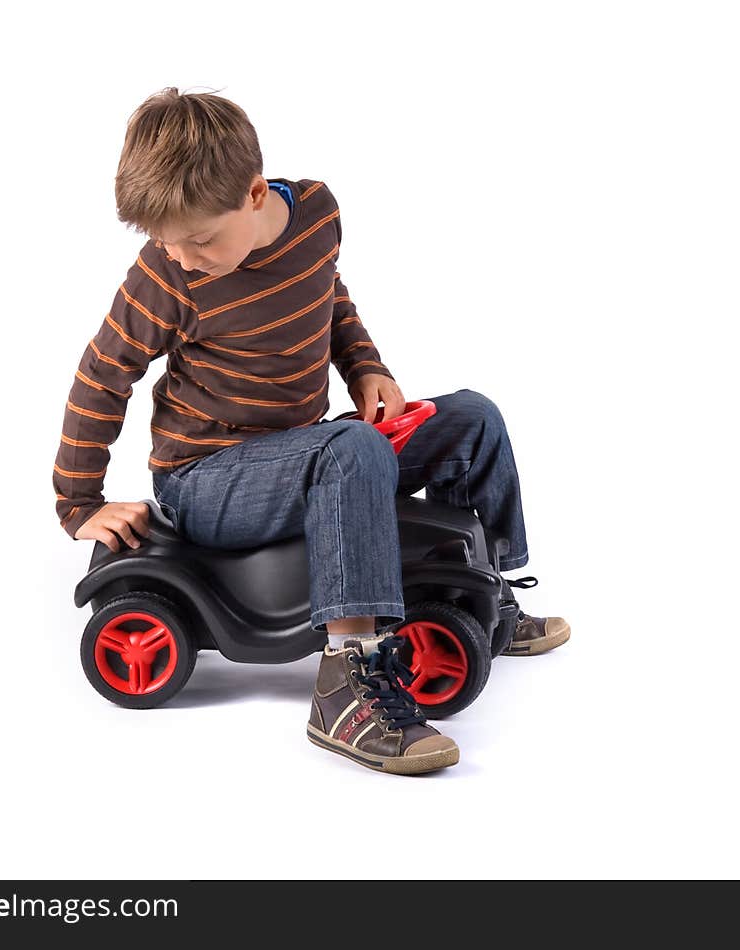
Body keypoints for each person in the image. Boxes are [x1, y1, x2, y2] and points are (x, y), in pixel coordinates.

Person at [53, 87, 571, 775]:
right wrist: (79, 500)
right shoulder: (165, 279)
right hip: (210, 478)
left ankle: (488, 596)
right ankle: (346, 681)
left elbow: (327, 294)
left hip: (304, 450)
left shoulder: (317, 213)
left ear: (256, 195)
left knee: (472, 416)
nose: (180, 257)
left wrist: (366, 367)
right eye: (164, 242)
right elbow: (102, 375)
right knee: (350, 448)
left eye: (199, 239)